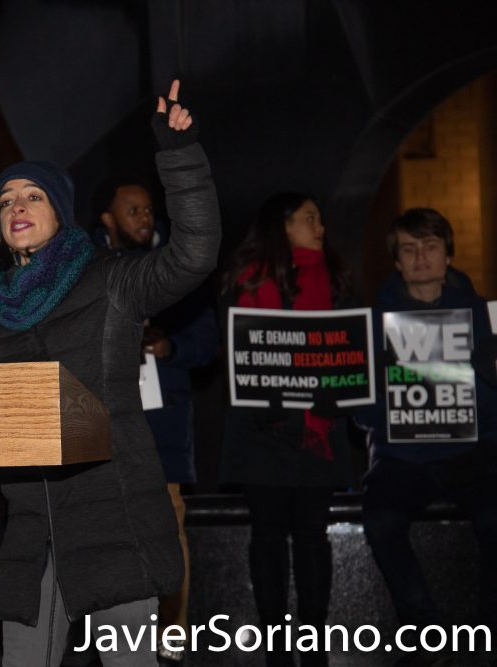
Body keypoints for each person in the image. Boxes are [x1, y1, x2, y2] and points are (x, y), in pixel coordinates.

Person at [0, 80, 221, 666]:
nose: (17, 207)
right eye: (7, 198)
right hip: (31, 533)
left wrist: (178, 154)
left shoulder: (110, 281)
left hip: (114, 519)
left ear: (60, 214)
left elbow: (195, 253)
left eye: (33, 196)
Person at [218, 192, 353, 667]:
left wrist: (339, 385)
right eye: (311, 219)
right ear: (283, 226)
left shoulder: (333, 277)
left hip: (317, 429)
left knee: (313, 535)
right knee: (269, 535)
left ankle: (312, 646)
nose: (321, 228)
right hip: (263, 432)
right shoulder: (246, 280)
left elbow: (347, 349)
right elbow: (235, 352)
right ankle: (276, 647)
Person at [358, 208, 497, 666]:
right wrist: (368, 402)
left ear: (448, 254)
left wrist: (486, 375)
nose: (421, 257)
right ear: (396, 261)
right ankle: (423, 631)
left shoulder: (484, 318)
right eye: (409, 249)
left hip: (471, 452)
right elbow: (361, 413)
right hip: (402, 457)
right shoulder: (372, 324)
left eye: (431, 246)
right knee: (379, 520)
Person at [92, 176, 218, 664]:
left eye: (148, 210)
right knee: (103, 528)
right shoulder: (86, 267)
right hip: (101, 418)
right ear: (107, 220)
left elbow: (208, 343)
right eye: (132, 211)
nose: (144, 218)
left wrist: (171, 347)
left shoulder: (180, 269)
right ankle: (107, 639)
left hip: (162, 422)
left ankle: (170, 636)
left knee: (168, 526)